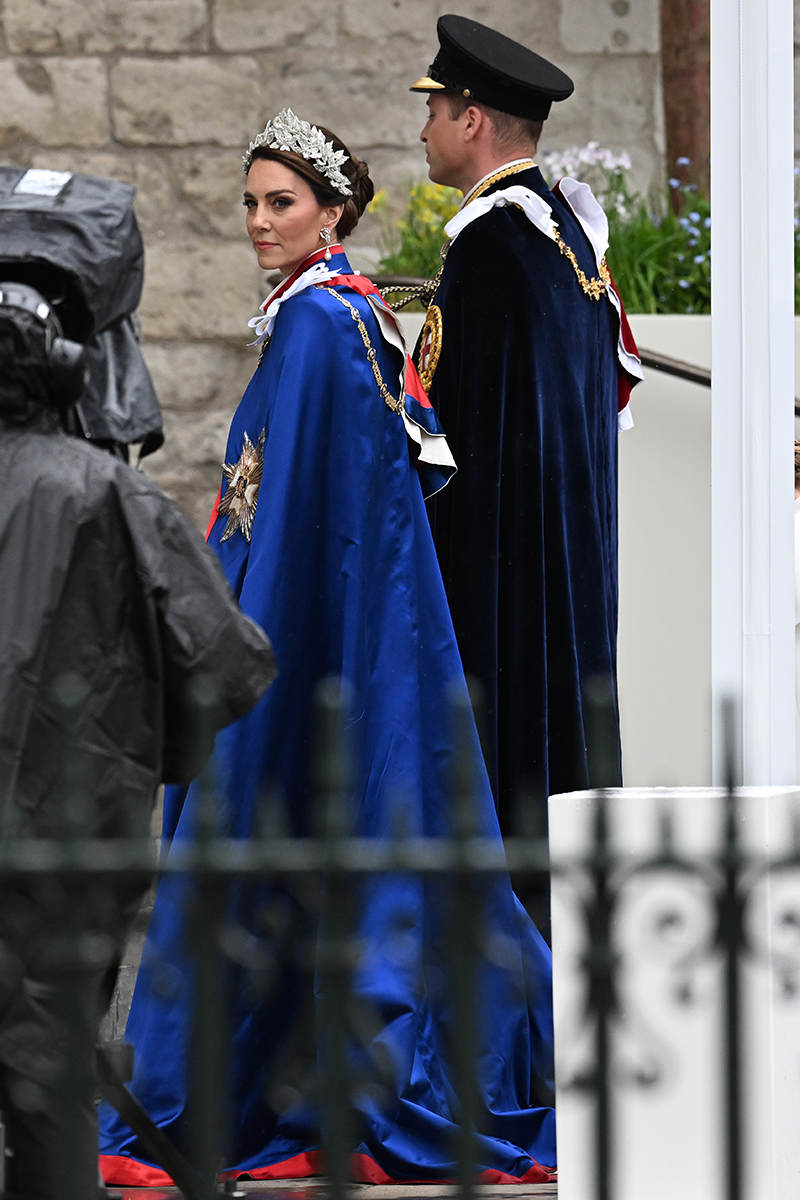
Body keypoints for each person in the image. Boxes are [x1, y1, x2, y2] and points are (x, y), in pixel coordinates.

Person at [99, 110, 557, 1186]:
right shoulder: (325, 316)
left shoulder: (319, 328)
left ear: (334, 213)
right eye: (250, 203)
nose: (260, 222)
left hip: (308, 636)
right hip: (302, 624)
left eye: (281, 203)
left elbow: (319, 517)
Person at [0, 281, 277, 1200]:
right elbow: (227, 663)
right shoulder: (107, 491)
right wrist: (157, 754)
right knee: (48, 1088)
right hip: (67, 844)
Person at [409, 15, 643, 833]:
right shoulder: (566, 235)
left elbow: (449, 454)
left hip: (505, 601)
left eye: (435, 110)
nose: (424, 129)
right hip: (568, 582)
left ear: (471, 119)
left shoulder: (490, 248)